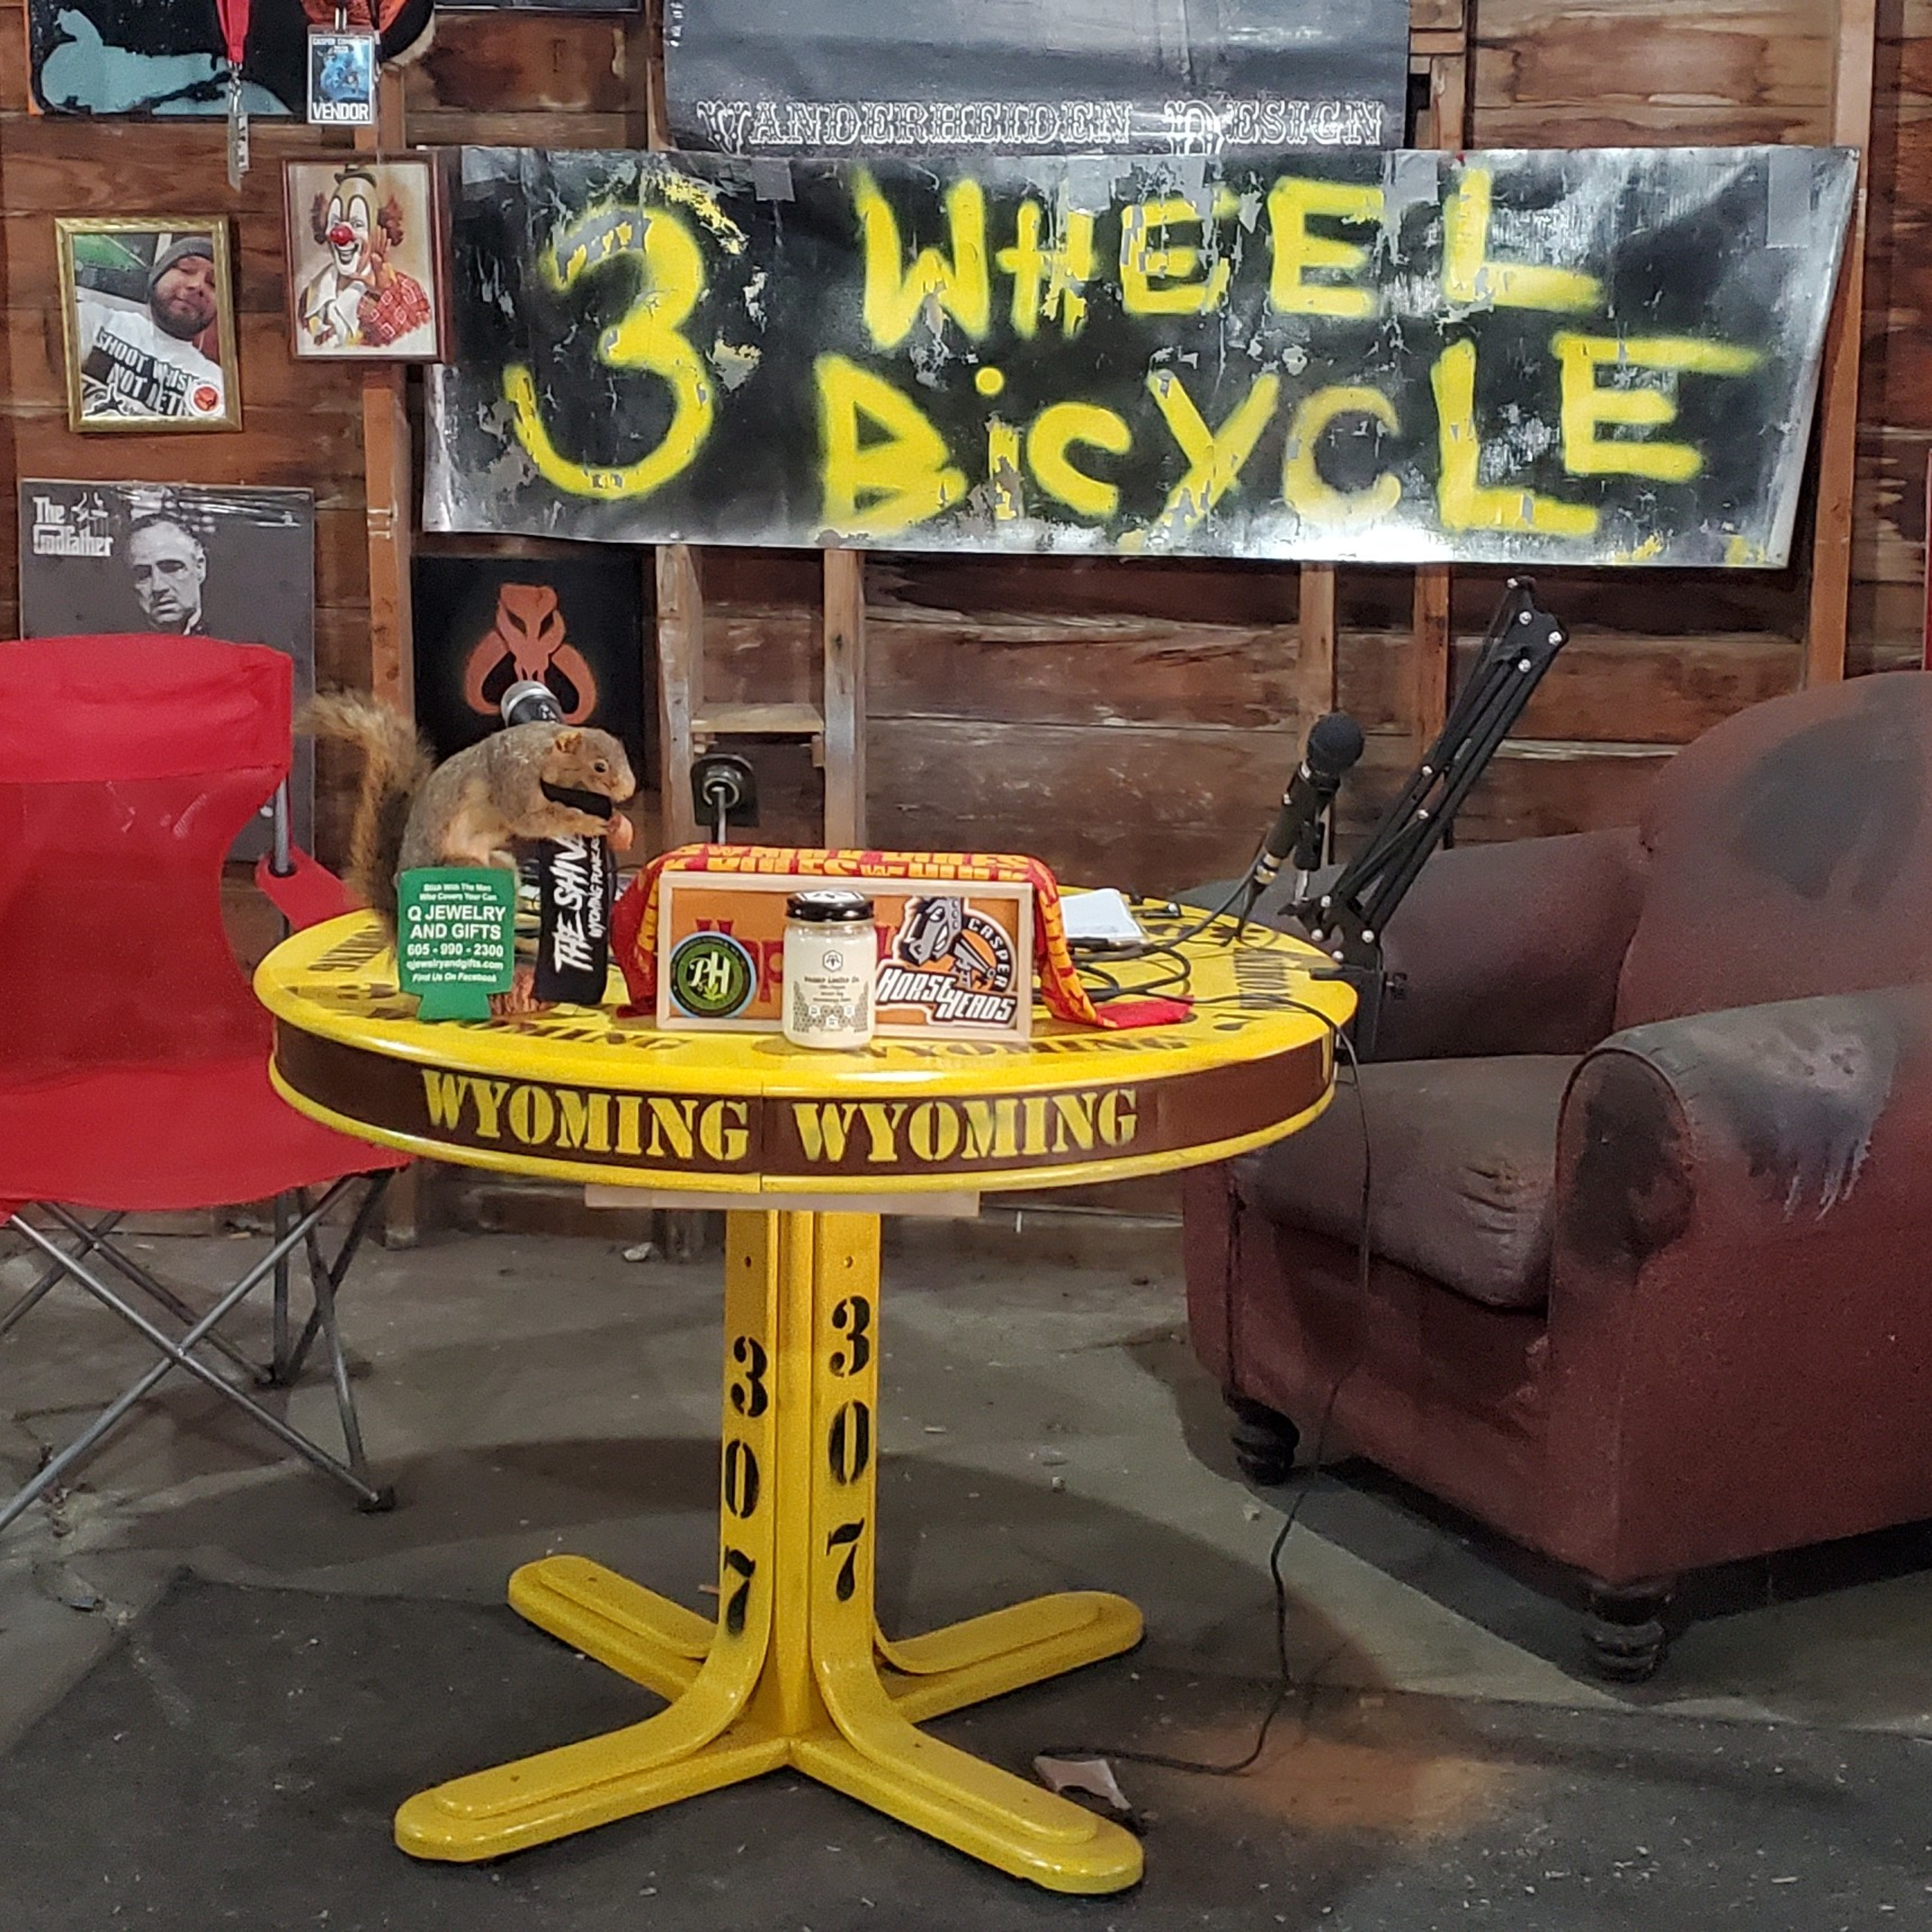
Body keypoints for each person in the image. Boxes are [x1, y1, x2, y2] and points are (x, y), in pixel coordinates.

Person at [73, 235, 227, 422]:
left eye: (213, 284)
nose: (197, 285)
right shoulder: (92, 320)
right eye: (186, 269)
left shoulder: (218, 385)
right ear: (158, 276)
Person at [297, 167, 434, 353]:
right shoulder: (311, 297)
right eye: (335, 222)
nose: (342, 235)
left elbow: (416, 345)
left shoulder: (409, 293)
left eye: (357, 224)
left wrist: (380, 294)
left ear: (379, 231)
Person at [125, 516, 208, 635]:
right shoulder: (118, 642)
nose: (158, 587)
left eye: (171, 568)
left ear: (199, 568)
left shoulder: (232, 637)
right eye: (143, 575)